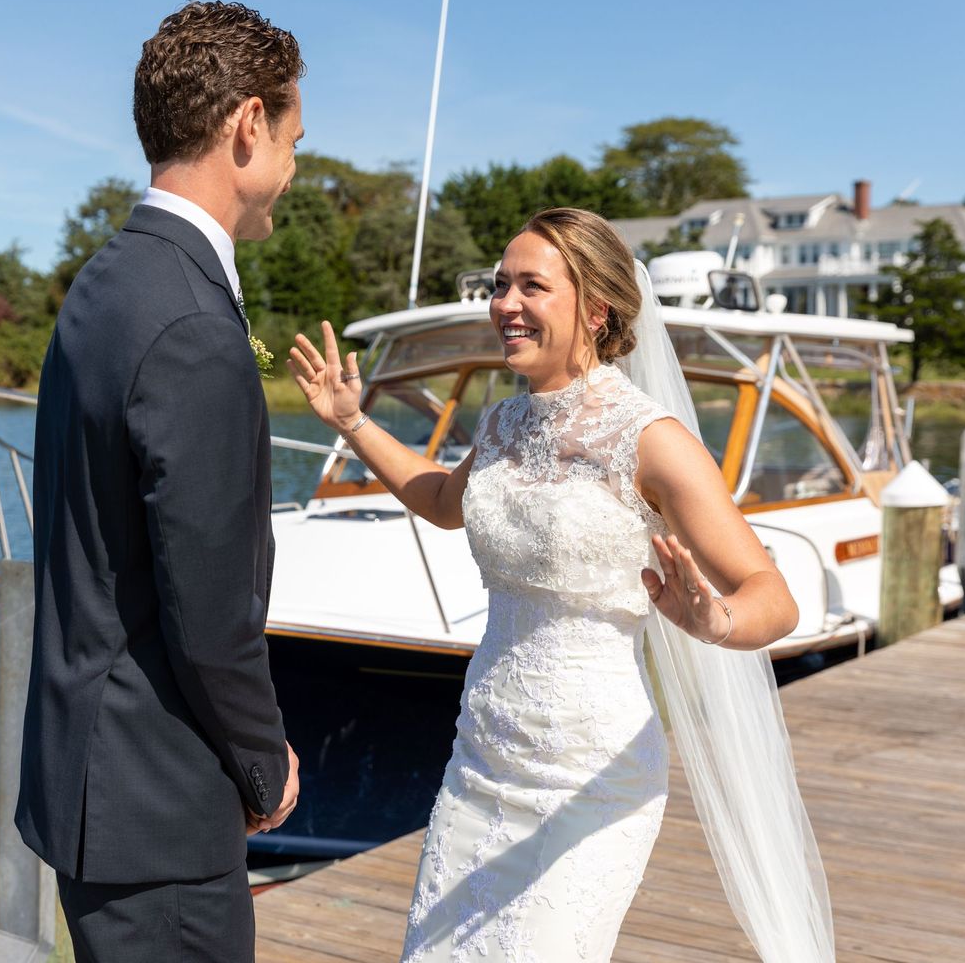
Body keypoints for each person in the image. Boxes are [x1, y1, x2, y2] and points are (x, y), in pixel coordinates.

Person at [287, 208, 833, 962]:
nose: (506, 303)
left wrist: (713, 621)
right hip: (480, 758)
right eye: (502, 284)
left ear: (596, 307)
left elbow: (770, 595)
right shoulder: (507, 423)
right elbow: (444, 502)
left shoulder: (653, 440)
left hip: (588, 776)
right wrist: (353, 423)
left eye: (532, 286)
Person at [16, 1, 305, 963]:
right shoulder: (192, 325)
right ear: (248, 126)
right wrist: (266, 766)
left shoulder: (105, 281)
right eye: (295, 140)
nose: (294, 172)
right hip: (158, 809)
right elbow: (211, 608)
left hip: (92, 785)